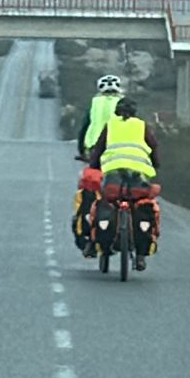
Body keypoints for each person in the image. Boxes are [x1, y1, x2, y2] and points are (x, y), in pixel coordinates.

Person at [86, 97, 162, 271]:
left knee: (103, 202)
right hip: (138, 175)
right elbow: (154, 146)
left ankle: (93, 242)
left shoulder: (111, 125)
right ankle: (141, 255)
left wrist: (94, 165)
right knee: (142, 205)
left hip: (113, 174)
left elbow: (99, 148)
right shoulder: (141, 126)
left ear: (116, 111)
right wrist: (156, 164)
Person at [71, 75, 123, 254]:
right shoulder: (124, 104)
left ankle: (89, 238)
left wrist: (81, 150)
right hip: (120, 152)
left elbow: (84, 128)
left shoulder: (95, 103)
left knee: (91, 190)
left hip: (96, 152)